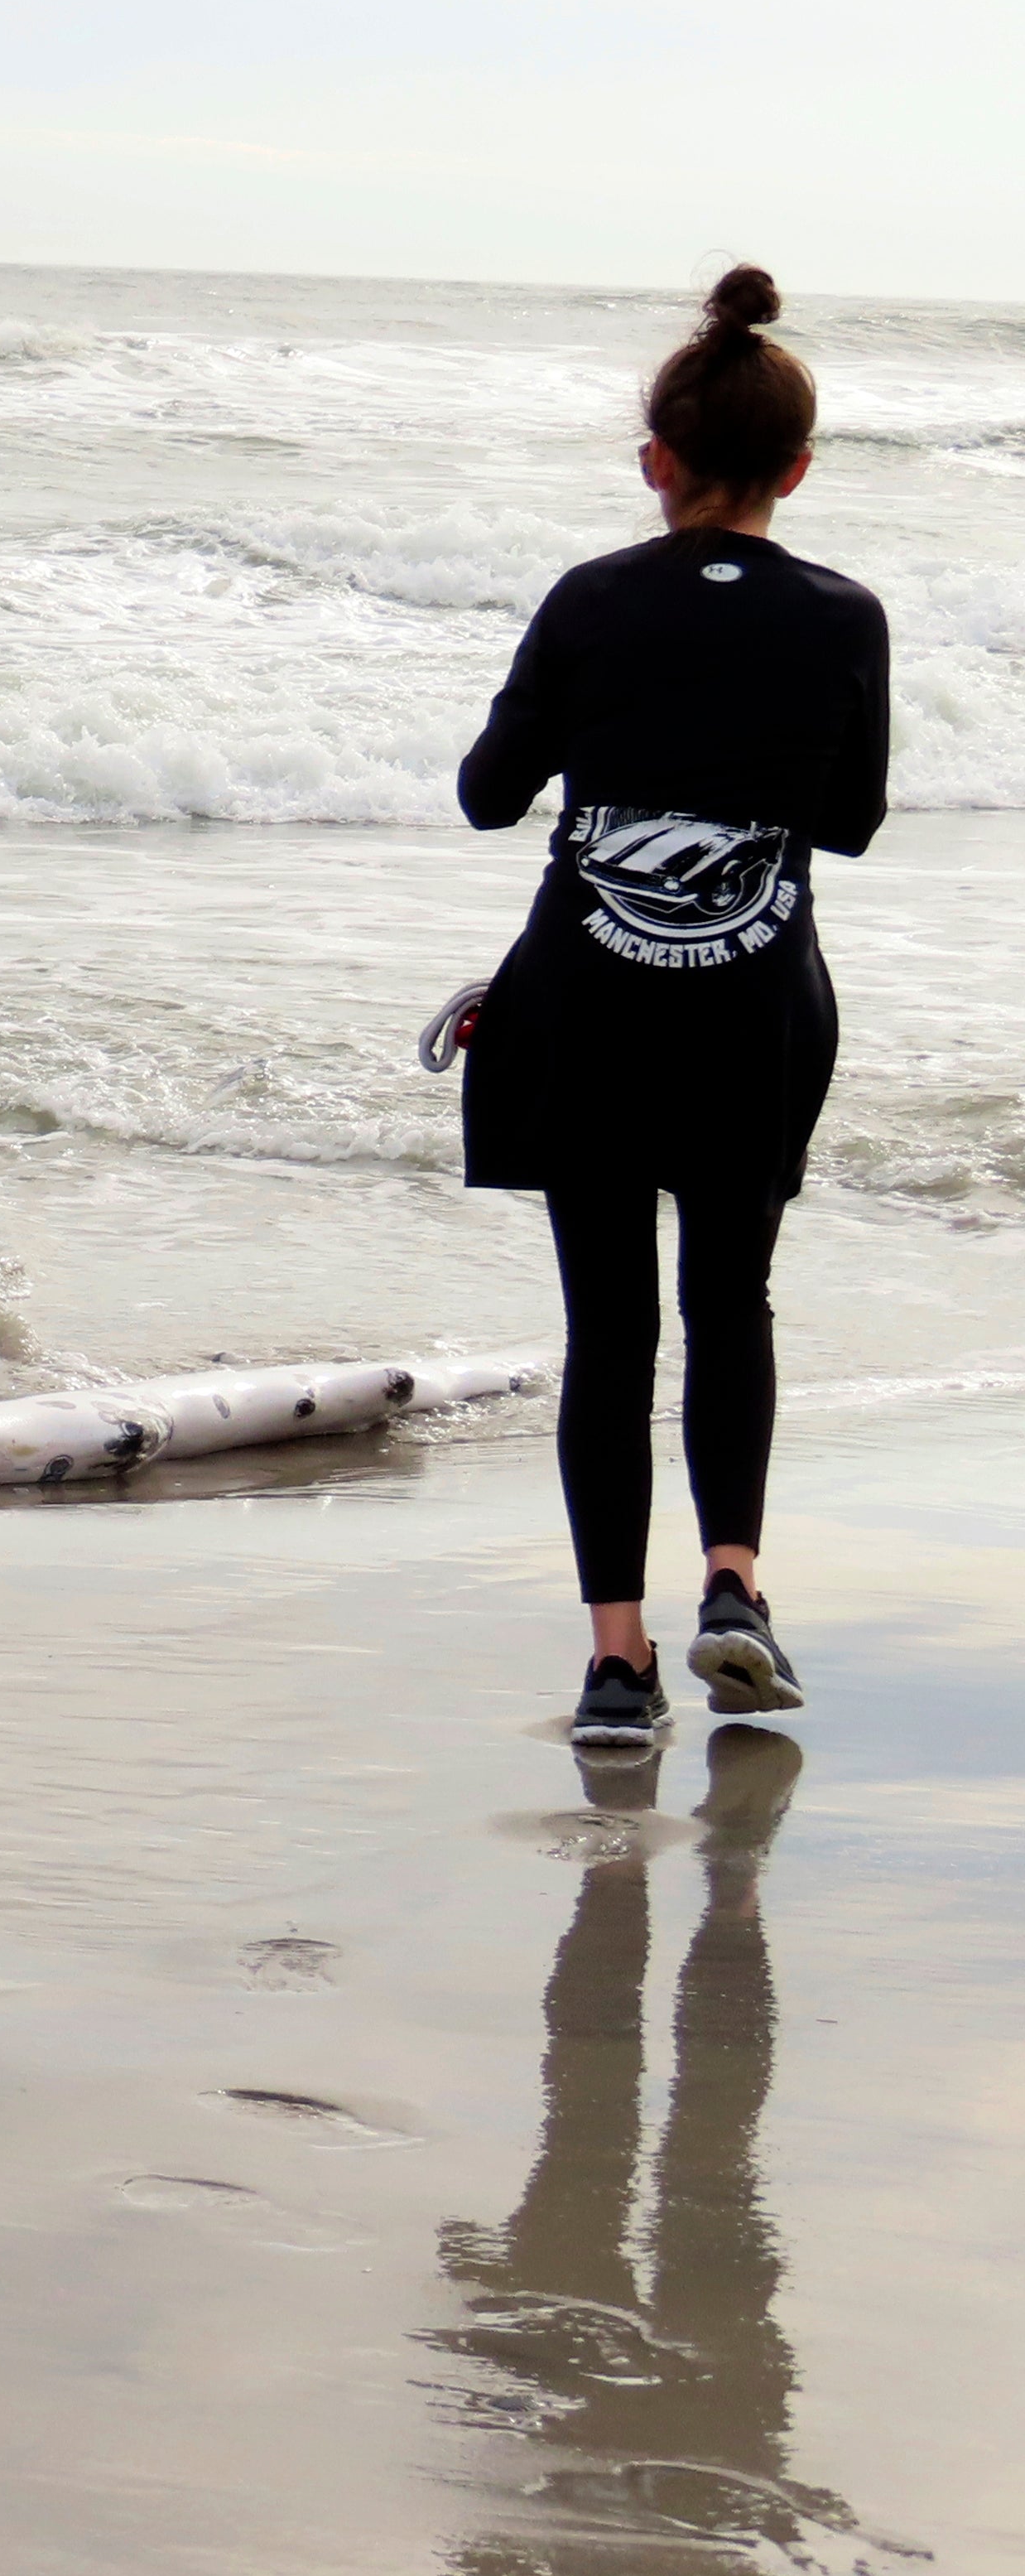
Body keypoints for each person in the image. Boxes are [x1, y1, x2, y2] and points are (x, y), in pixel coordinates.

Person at [456, 266, 888, 1754]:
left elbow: (487, 798)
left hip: (584, 1007)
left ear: (657, 461)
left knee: (609, 1329)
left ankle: (616, 1671)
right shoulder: (843, 617)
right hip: (755, 1010)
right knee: (732, 1300)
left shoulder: (589, 599)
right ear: (797, 471)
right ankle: (736, 1586)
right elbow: (849, 825)